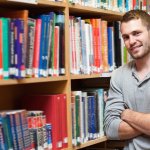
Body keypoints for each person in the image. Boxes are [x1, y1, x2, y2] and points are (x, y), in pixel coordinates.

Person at [104, 9, 150, 150]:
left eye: (137, 33)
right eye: (126, 37)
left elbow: (119, 120)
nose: (132, 41)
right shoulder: (118, 75)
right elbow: (110, 128)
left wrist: (126, 114)